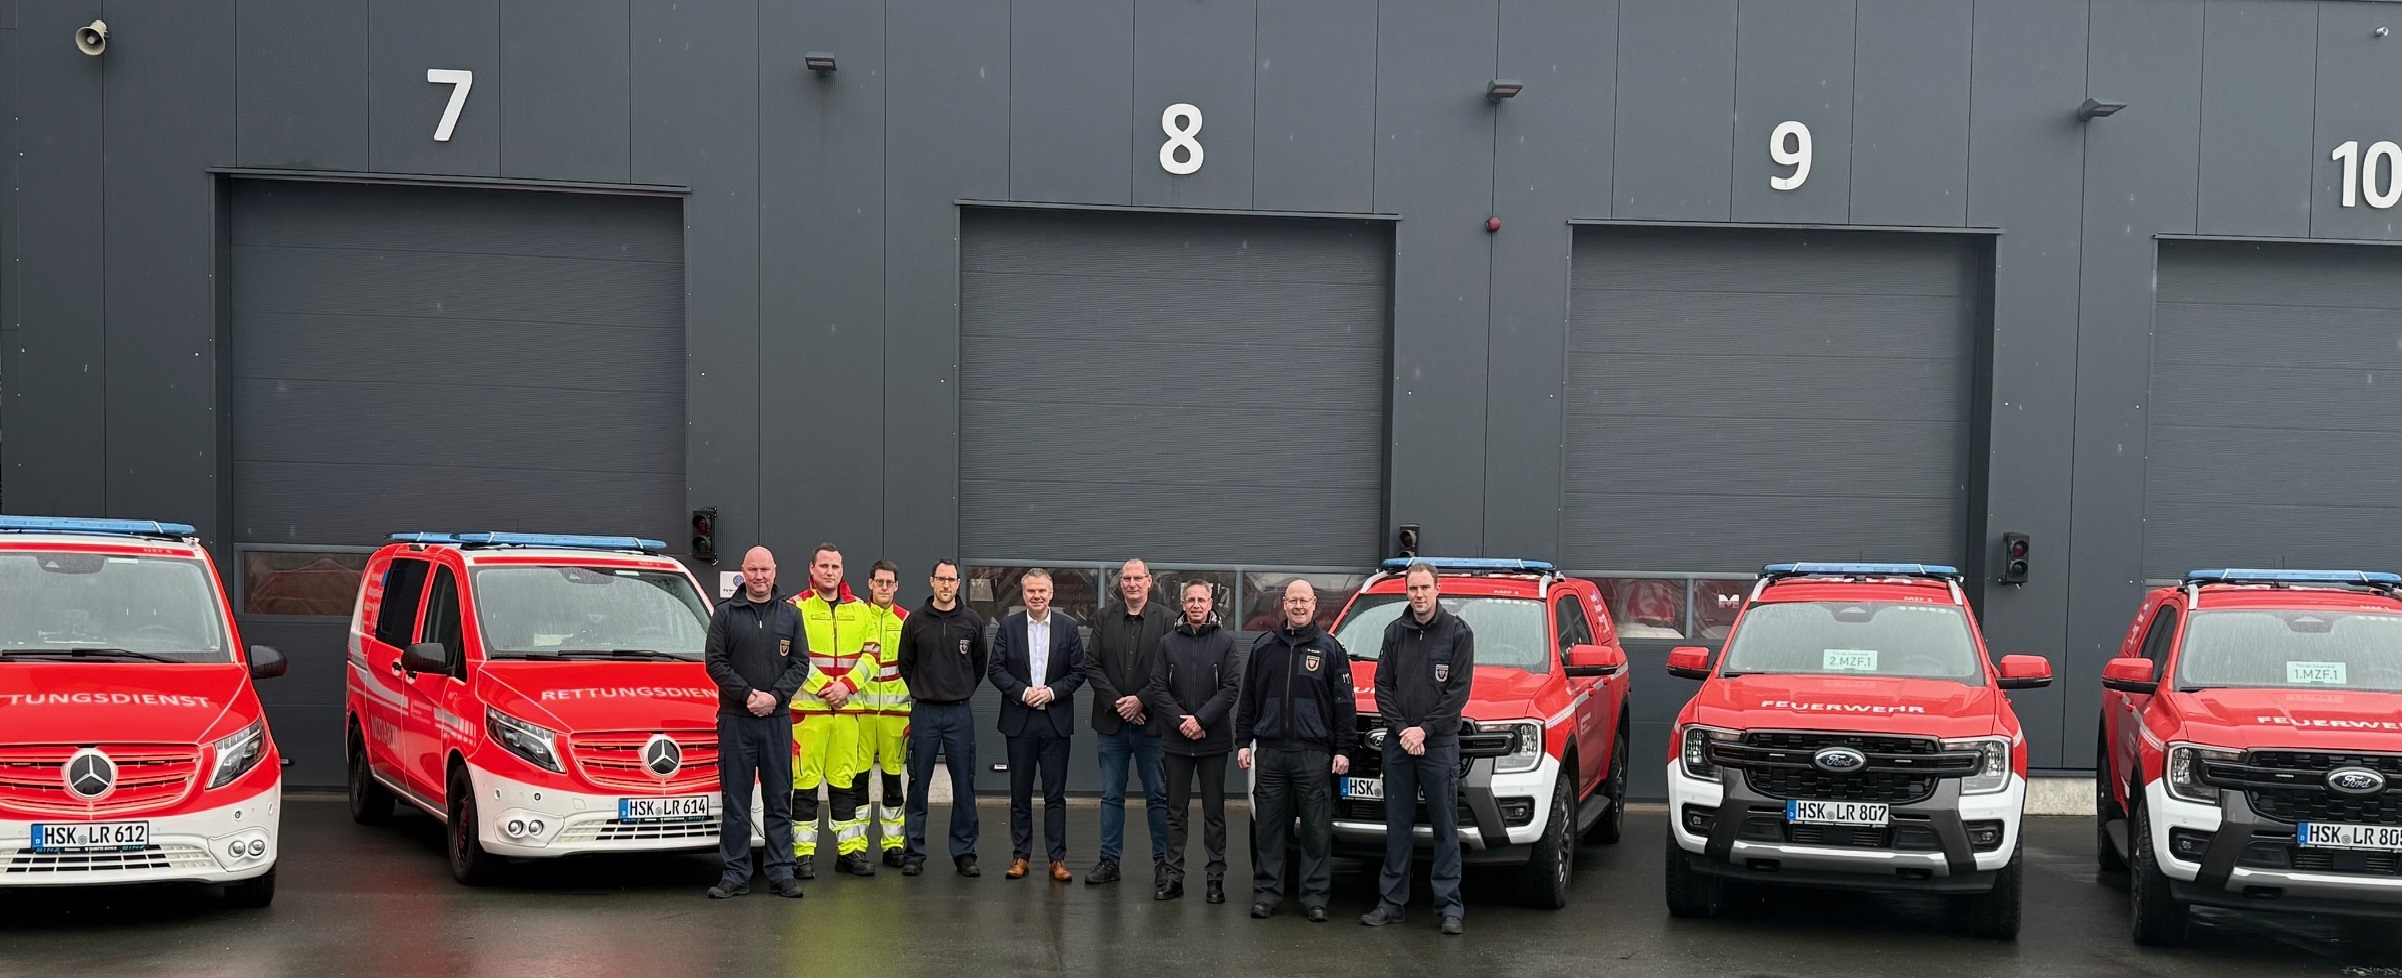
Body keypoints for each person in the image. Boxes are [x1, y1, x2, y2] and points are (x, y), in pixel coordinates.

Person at [1361, 563, 1475, 935]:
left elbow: (1457, 693)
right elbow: (1383, 687)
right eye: (1413, 589)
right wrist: (1402, 730)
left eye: (1425, 587)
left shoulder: (1458, 633)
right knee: (1397, 826)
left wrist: (1423, 730)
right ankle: (1391, 903)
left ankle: (1449, 907)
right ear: (1406, 591)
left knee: (1445, 827)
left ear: (1438, 589)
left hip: (1438, 746)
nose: (1419, 595)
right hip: (1399, 745)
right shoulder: (1395, 632)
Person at [1236, 579, 1357, 922]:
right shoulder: (1264, 647)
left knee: (1317, 831)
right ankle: (1266, 895)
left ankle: (1315, 897)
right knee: (1269, 830)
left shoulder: (1330, 649)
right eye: (1293, 600)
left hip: (1313, 753)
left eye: (1305, 600)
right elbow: (1248, 699)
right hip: (1271, 752)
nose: (1299, 606)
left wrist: (1344, 749)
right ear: (1284, 604)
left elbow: (1343, 704)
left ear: (1314, 603)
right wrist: (1243, 741)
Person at [702, 547, 810, 899]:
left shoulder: (791, 615)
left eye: (765, 569)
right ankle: (735, 874)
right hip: (736, 720)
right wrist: (748, 695)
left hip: (776, 720)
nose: (759, 576)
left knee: (779, 798)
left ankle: (781, 873)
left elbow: (800, 664)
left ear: (774, 571)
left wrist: (774, 697)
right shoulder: (725, 615)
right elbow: (715, 662)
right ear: (743, 572)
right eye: (753, 570)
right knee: (736, 800)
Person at [1141, 580, 1240, 904]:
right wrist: (1182, 722)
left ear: (1211, 603)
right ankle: (1174, 877)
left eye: (1202, 599)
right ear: (1183, 604)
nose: (1196, 605)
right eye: (1191, 600)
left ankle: (1215, 880)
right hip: (1177, 740)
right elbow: (1158, 687)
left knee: (1214, 813)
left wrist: (1201, 720)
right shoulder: (1167, 643)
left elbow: (1230, 688)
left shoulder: (1226, 642)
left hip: (1213, 740)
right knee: (1175, 812)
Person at [1079, 558, 1175, 888]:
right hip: (1112, 724)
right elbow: (1091, 664)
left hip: (1152, 725)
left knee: (1158, 796)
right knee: (1111, 795)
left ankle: (1163, 864)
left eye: (1137, 578)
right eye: (1126, 579)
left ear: (1149, 581)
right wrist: (1120, 703)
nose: (1132, 584)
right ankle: (1109, 861)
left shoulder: (1167, 620)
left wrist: (1141, 700)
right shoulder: (1104, 617)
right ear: (1120, 584)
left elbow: (1169, 668)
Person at [989, 568, 1086, 882]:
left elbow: (1078, 671)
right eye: (1031, 591)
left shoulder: (1069, 627)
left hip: (1055, 721)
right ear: (1023, 593)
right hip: (1020, 720)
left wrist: (1052, 692)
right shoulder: (1008, 626)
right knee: (1020, 793)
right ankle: (1021, 856)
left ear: (1051, 593)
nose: (1037, 596)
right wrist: (1023, 692)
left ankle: (1057, 859)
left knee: (1055, 795)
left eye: (1042, 590)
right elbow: (996, 669)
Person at [896, 559, 988, 877]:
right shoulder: (915, 621)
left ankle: (964, 853)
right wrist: (923, 689)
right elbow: (905, 663)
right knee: (918, 783)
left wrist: (961, 689)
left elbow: (979, 664)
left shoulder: (972, 621)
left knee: (964, 783)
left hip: (959, 713)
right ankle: (914, 853)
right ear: (932, 581)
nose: (946, 585)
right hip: (925, 712)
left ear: (958, 583)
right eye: (941, 579)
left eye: (951, 579)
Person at [790, 544, 877, 879]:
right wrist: (826, 687)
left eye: (835, 566)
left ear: (842, 570)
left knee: (845, 784)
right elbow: (793, 656)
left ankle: (849, 851)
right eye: (824, 566)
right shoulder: (795, 607)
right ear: (811, 569)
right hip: (808, 713)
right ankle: (802, 854)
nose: (830, 571)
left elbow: (873, 655)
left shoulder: (861, 610)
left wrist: (847, 687)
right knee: (805, 784)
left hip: (847, 711)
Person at [858, 559, 911, 867]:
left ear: (897, 586)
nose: (884, 587)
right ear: (870, 583)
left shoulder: (906, 620)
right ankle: (856, 845)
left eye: (889, 583)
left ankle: (893, 844)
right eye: (879, 582)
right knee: (858, 780)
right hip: (861, 713)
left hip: (896, 714)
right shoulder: (858, 615)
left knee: (893, 781)